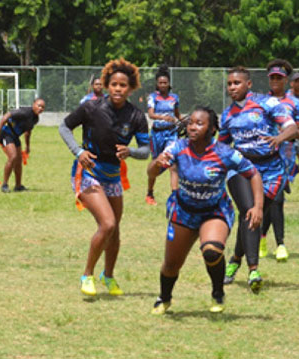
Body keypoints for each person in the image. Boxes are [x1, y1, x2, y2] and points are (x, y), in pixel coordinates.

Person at [148, 106, 263, 314]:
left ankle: (217, 293)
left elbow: (253, 174)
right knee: (171, 264)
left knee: (211, 250)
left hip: (214, 211)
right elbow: (152, 171)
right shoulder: (177, 147)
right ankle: (164, 298)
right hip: (183, 212)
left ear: (211, 129)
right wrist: (157, 164)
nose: (192, 127)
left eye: (199, 123)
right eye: (190, 122)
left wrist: (257, 207)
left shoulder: (225, 153)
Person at [58, 58, 150, 296]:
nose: (118, 89)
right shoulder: (91, 108)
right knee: (107, 224)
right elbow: (64, 127)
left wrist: (131, 151)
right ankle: (86, 275)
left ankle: (108, 277)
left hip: (113, 176)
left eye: (123, 85)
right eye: (114, 84)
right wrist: (78, 151)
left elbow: (146, 150)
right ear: (107, 86)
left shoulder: (136, 116)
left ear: (131, 89)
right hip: (88, 173)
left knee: (115, 230)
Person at [219, 66, 297, 293]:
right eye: (230, 84)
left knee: (254, 217)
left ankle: (234, 260)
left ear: (248, 84)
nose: (232, 87)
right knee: (249, 211)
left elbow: (292, 128)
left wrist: (279, 137)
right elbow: (222, 146)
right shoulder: (227, 115)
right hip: (241, 168)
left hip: (272, 169)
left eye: (237, 83)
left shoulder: (268, 104)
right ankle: (254, 270)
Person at [259, 59, 299, 261]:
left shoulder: (295, 103)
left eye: (279, 77)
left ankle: (280, 245)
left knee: (277, 200)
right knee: (267, 201)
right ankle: (261, 238)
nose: (275, 81)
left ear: (286, 80)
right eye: (272, 78)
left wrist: (284, 133)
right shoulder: (260, 103)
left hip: (284, 159)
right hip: (263, 158)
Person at [144, 65, 181, 206]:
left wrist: (184, 122)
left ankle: (174, 196)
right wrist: (164, 118)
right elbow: (151, 114)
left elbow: (177, 114)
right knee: (156, 163)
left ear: (169, 83)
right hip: (157, 134)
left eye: (165, 82)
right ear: (157, 84)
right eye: (160, 83)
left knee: (173, 164)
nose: (163, 85)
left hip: (172, 133)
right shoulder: (153, 97)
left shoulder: (174, 97)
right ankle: (150, 192)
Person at [0, 98, 46, 192]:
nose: (40, 108)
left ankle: (18, 186)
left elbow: (28, 132)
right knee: (13, 157)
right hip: (6, 133)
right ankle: (4, 185)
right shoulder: (24, 112)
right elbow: (6, 116)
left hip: (15, 136)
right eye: (39, 105)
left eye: (42, 107)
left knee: (18, 161)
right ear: (33, 104)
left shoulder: (35, 119)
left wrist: (28, 146)